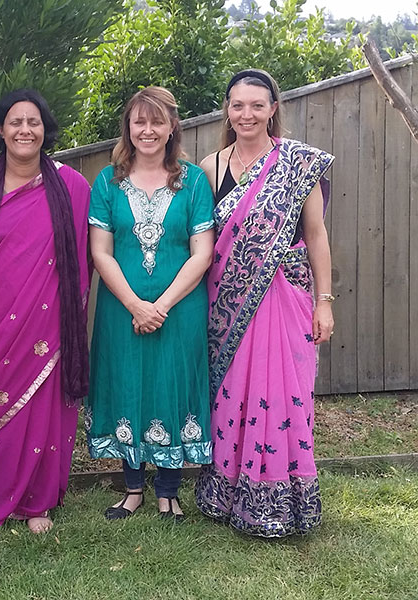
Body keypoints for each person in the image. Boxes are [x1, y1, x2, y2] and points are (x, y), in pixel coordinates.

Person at [0, 89, 91, 534]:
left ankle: (36, 501)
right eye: (15, 122)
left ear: (45, 130)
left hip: (47, 318)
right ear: (1, 130)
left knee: (40, 404)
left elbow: (80, 256)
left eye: (34, 122)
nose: (25, 130)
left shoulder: (71, 184)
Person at [194, 69, 334, 537]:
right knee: (232, 397)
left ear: (273, 109)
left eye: (257, 105)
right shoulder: (210, 166)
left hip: (285, 297)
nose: (247, 114)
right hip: (227, 302)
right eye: (238, 105)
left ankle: (282, 499)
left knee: (282, 397)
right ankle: (228, 494)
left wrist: (324, 301)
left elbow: (315, 235)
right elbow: (203, 240)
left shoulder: (298, 163)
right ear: (227, 110)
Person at [86, 87, 214, 521]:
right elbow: (101, 251)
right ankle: (133, 489)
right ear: (128, 126)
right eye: (139, 121)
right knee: (128, 382)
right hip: (121, 310)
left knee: (171, 384)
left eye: (157, 121)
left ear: (172, 126)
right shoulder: (108, 180)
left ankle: (169, 491)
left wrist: (159, 305)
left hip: (180, 311)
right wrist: (136, 305)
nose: (148, 130)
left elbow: (203, 252)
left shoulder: (194, 180)